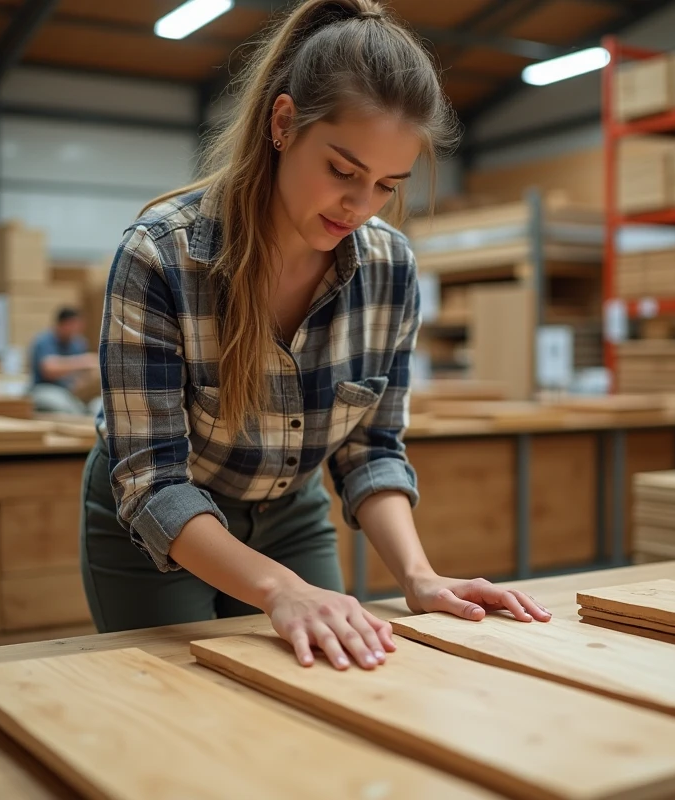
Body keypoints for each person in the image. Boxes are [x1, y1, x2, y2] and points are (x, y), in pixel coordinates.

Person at [82, 0, 551, 672]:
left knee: (330, 682)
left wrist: (419, 577)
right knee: (177, 725)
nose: (359, 207)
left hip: (288, 513)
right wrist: (281, 591)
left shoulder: (389, 267)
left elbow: (371, 448)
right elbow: (152, 480)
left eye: (388, 185)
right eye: (342, 171)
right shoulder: (162, 254)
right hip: (153, 526)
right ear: (282, 123)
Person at [30, 307, 99, 415]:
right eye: (73, 325)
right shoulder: (44, 341)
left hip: (69, 391)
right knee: (68, 409)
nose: (77, 329)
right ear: (62, 324)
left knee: (97, 407)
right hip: (44, 388)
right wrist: (84, 361)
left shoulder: (78, 343)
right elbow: (49, 369)